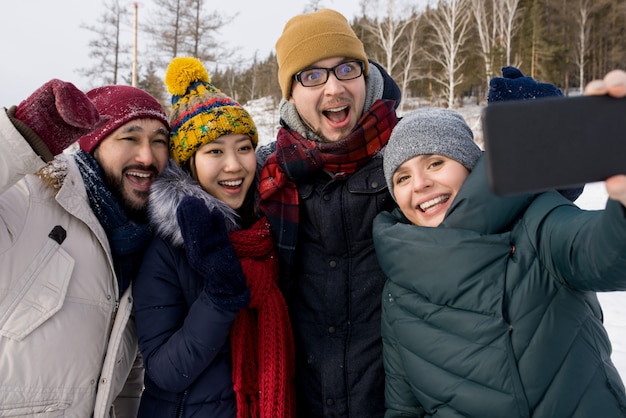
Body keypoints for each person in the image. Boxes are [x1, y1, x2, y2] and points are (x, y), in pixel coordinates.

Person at [372, 78, 626, 416]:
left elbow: (604, 254)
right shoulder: (398, 292)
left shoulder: (534, 222)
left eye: (435, 163)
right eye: (402, 177)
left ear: (468, 164)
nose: (420, 184)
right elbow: (404, 409)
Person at [256, 8, 402, 417]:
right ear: (290, 92)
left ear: (365, 73)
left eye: (346, 69)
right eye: (313, 75)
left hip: (397, 403)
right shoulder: (266, 174)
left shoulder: (410, 156)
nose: (334, 88)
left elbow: (504, 193)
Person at [133, 56, 296, 418]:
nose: (234, 165)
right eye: (214, 151)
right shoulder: (167, 248)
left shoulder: (271, 230)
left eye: (243, 147)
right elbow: (164, 371)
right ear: (189, 161)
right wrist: (220, 299)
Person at [0, 80, 170, 417]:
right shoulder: (28, 200)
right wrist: (21, 137)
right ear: (93, 144)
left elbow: (124, 382)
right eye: (130, 137)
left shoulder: (145, 245)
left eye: (159, 142)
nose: (147, 156)